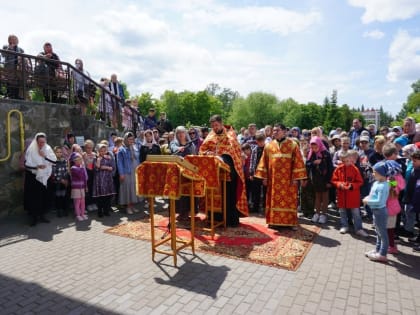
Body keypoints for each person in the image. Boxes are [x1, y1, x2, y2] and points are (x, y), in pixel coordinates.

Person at [199, 114, 249, 227]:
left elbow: (233, 150)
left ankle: (229, 220)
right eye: (213, 126)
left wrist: (219, 154)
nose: (215, 128)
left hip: (228, 172)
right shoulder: (210, 136)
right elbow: (202, 149)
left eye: (216, 125)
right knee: (213, 195)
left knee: (228, 196)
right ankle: (214, 218)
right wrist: (207, 153)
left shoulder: (230, 134)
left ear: (221, 123)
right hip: (213, 172)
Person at [255, 123, 306, 229]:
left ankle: (291, 223)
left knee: (289, 201)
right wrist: (264, 177)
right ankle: (273, 221)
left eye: (277, 130)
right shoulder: (269, 146)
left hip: (288, 180)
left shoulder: (292, 145)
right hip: (273, 180)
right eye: (274, 130)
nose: (275, 132)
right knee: (274, 200)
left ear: (284, 131)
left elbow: (298, 162)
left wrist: (296, 178)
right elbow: (264, 162)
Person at [331, 151, 368, 236]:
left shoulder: (355, 169)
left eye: (347, 160)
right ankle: (345, 226)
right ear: (341, 160)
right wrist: (339, 184)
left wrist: (352, 186)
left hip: (352, 196)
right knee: (342, 212)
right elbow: (334, 180)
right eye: (344, 161)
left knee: (356, 213)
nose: (346, 163)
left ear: (351, 159)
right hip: (342, 195)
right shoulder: (338, 169)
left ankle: (359, 229)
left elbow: (360, 182)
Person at [24, 133, 57, 226]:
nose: (42, 144)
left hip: (45, 177)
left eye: (43, 142)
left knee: (44, 197)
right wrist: (36, 167)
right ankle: (34, 218)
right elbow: (27, 164)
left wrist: (44, 156)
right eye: (40, 142)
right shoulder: (31, 149)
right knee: (34, 198)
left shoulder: (48, 148)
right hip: (33, 178)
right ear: (36, 141)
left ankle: (42, 216)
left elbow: (54, 161)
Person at [363, 161, 390, 262]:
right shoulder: (377, 183)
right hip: (375, 211)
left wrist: (367, 200)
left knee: (383, 234)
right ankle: (377, 250)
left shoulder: (383, 185)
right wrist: (368, 197)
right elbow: (373, 194)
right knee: (378, 232)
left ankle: (382, 254)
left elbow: (379, 201)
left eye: (375, 172)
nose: (373, 174)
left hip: (380, 212)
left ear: (382, 173)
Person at [170, 126, 196, 220]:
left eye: (182, 132)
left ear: (185, 133)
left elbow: (194, 156)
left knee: (189, 193)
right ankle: (182, 212)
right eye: (178, 133)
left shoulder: (191, 144)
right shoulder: (174, 143)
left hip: (189, 171)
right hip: (179, 173)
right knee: (181, 194)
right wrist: (178, 148)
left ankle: (190, 211)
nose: (181, 135)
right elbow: (173, 148)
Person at [306, 136, 333, 224]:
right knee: (317, 197)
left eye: (316, 147)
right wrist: (314, 163)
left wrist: (329, 181)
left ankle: (323, 214)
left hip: (325, 179)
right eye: (312, 147)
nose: (314, 149)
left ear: (320, 145)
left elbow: (330, 168)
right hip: (315, 179)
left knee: (325, 197)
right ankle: (317, 213)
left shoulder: (326, 153)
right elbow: (307, 164)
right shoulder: (310, 153)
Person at [117, 132, 140, 214]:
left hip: (134, 171)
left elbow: (137, 159)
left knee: (133, 189)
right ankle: (128, 207)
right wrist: (121, 173)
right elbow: (119, 162)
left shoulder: (135, 147)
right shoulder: (121, 149)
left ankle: (132, 206)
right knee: (127, 189)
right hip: (126, 172)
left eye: (132, 139)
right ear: (125, 139)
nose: (131, 141)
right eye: (129, 139)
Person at [93, 143, 116, 217]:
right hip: (100, 179)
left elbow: (112, 167)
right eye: (101, 151)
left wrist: (105, 167)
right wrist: (99, 162)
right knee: (101, 196)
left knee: (108, 196)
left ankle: (106, 210)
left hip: (108, 178)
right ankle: (100, 211)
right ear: (98, 151)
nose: (102, 152)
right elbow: (96, 168)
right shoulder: (96, 158)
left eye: (104, 150)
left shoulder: (109, 157)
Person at [2, 34, 24, 99]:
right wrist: (9, 48)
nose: (15, 40)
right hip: (9, 68)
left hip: (18, 68)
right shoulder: (5, 46)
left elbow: (23, 55)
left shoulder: (20, 49)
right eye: (13, 39)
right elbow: (3, 55)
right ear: (9, 40)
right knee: (9, 81)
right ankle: (9, 95)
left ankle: (16, 96)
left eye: (16, 39)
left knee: (17, 82)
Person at [249, 132, 266, 213]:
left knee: (266, 191)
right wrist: (251, 173)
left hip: (265, 174)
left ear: (264, 140)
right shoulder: (255, 149)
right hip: (256, 173)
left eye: (261, 141)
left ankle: (265, 207)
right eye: (258, 141)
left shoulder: (268, 148)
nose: (260, 143)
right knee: (256, 191)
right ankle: (255, 207)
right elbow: (252, 161)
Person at [70, 153, 88, 221]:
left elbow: (84, 178)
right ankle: (78, 215)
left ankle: (82, 214)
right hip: (76, 188)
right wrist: (82, 167)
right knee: (78, 201)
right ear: (75, 160)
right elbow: (79, 175)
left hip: (82, 187)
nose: (81, 161)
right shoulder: (73, 168)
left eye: (81, 159)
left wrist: (86, 186)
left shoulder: (81, 167)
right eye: (79, 159)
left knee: (83, 201)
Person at [51, 146, 69, 217]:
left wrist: (66, 180)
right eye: (57, 152)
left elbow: (66, 170)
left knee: (64, 196)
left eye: (60, 152)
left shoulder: (64, 161)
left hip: (64, 181)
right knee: (58, 196)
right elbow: (54, 173)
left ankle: (64, 209)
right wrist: (61, 180)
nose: (59, 153)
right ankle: (59, 210)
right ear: (54, 153)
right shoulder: (54, 161)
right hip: (58, 182)